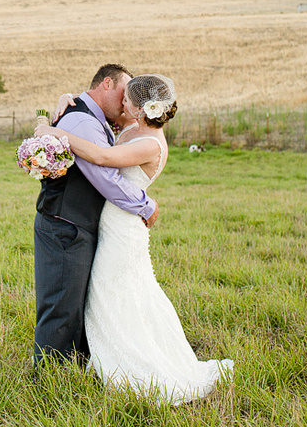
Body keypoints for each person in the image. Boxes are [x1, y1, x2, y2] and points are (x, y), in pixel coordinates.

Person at [35, 73, 233, 404]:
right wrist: (66, 99)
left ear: (140, 108)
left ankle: (131, 365)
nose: (122, 101)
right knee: (110, 295)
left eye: (128, 98)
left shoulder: (150, 142)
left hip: (124, 229)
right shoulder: (132, 127)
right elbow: (91, 111)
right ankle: (98, 359)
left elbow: (102, 158)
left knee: (113, 295)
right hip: (110, 223)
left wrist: (55, 132)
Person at [33, 63, 159, 370]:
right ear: (106, 83)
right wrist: (146, 205)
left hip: (78, 223)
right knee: (61, 305)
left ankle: (76, 366)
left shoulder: (92, 117)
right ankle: (49, 378)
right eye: (123, 92)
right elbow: (106, 179)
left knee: (76, 302)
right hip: (66, 224)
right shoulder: (84, 122)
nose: (126, 101)